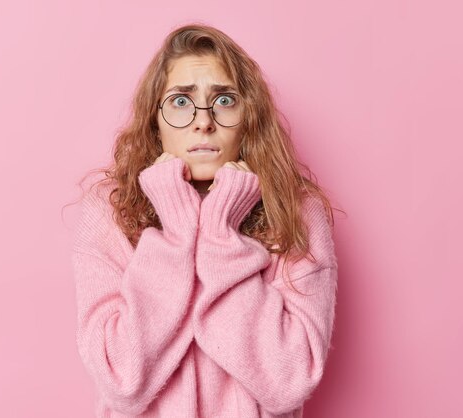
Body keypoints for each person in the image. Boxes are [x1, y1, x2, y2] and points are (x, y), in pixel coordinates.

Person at [71, 23, 340, 418]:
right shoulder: (109, 212)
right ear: (154, 122)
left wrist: (219, 234)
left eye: (224, 100)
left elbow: (290, 381)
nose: (203, 121)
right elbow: (121, 380)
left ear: (248, 117)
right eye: (180, 102)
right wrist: (178, 231)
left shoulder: (297, 212)